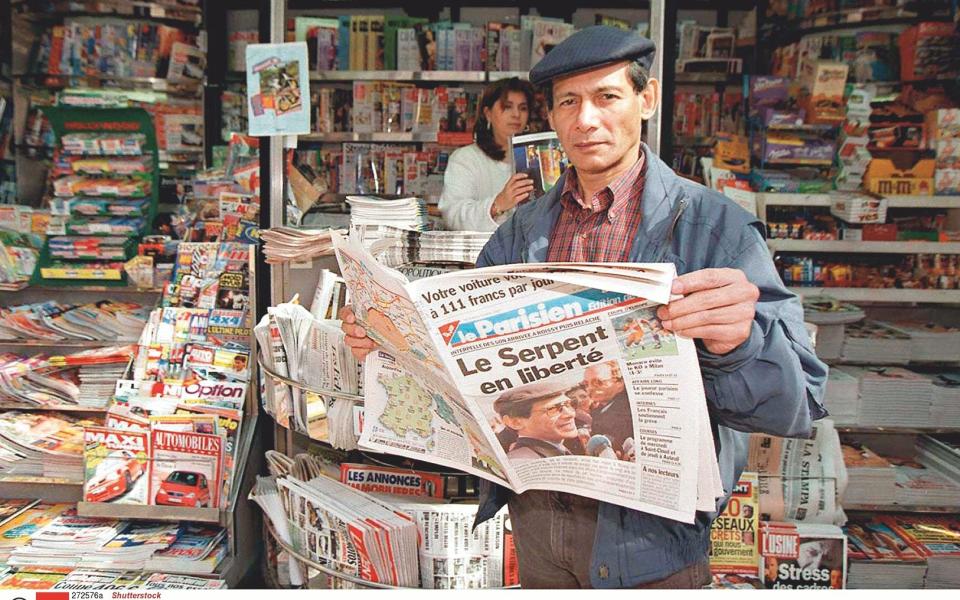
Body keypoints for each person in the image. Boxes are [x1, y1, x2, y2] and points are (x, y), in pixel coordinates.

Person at [341, 25, 827, 589]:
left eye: (607, 97)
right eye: (568, 102)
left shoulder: (716, 230)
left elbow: (800, 404)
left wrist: (740, 344)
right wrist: (393, 343)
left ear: (646, 101)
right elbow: (467, 370)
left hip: (654, 544)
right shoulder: (521, 230)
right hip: (540, 528)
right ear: (550, 116)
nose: (586, 119)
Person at [438, 77, 537, 232]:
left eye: (523, 108)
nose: (516, 114)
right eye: (507, 107)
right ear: (488, 113)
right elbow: (453, 215)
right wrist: (497, 204)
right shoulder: (466, 159)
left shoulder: (536, 158)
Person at [492, 382, 579, 461]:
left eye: (569, 404)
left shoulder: (555, 450)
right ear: (515, 422)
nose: (570, 414)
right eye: (553, 409)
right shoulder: (523, 461)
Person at [582, 361, 632, 455]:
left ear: (619, 382)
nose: (589, 388)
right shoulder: (599, 409)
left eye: (597, 382)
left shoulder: (627, 408)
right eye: (585, 384)